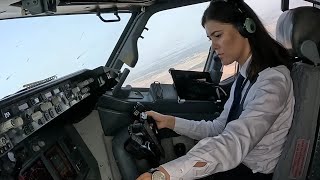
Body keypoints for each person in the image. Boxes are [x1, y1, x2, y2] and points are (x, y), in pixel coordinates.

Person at [137, 0, 294, 179]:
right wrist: (170, 121)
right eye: (210, 39)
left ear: (245, 28)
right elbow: (219, 127)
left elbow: (235, 142)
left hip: (253, 172)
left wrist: (162, 175)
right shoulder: (244, 78)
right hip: (237, 163)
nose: (213, 46)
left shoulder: (273, 82)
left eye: (218, 35)